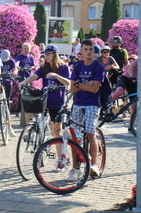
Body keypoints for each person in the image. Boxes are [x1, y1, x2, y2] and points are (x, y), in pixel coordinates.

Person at [18, 44, 71, 167]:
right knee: (33, 113)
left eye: (48, 54)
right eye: (45, 54)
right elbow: (35, 75)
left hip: (57, 102)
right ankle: (36, 137)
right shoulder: (44, 67)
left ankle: (61, 158)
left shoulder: (63, 67)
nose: (46, 56)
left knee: (56, 132)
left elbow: (68, 82)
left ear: (54, 55)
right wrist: (24, 82)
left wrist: (56, 76)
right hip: (45, 100)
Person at [68, 39, 105, 181]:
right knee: (74, 137)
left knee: (90, 133)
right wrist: (86, 84)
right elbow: (72, 88)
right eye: (86, 49)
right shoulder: (77, 66)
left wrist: (80, 84)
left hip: (92, 104)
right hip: (78, 103)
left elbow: (95, 88)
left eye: (91, 49)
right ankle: (75, 168)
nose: (89, 52)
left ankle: (94, 165)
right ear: (81, 51)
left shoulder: (98, 67)